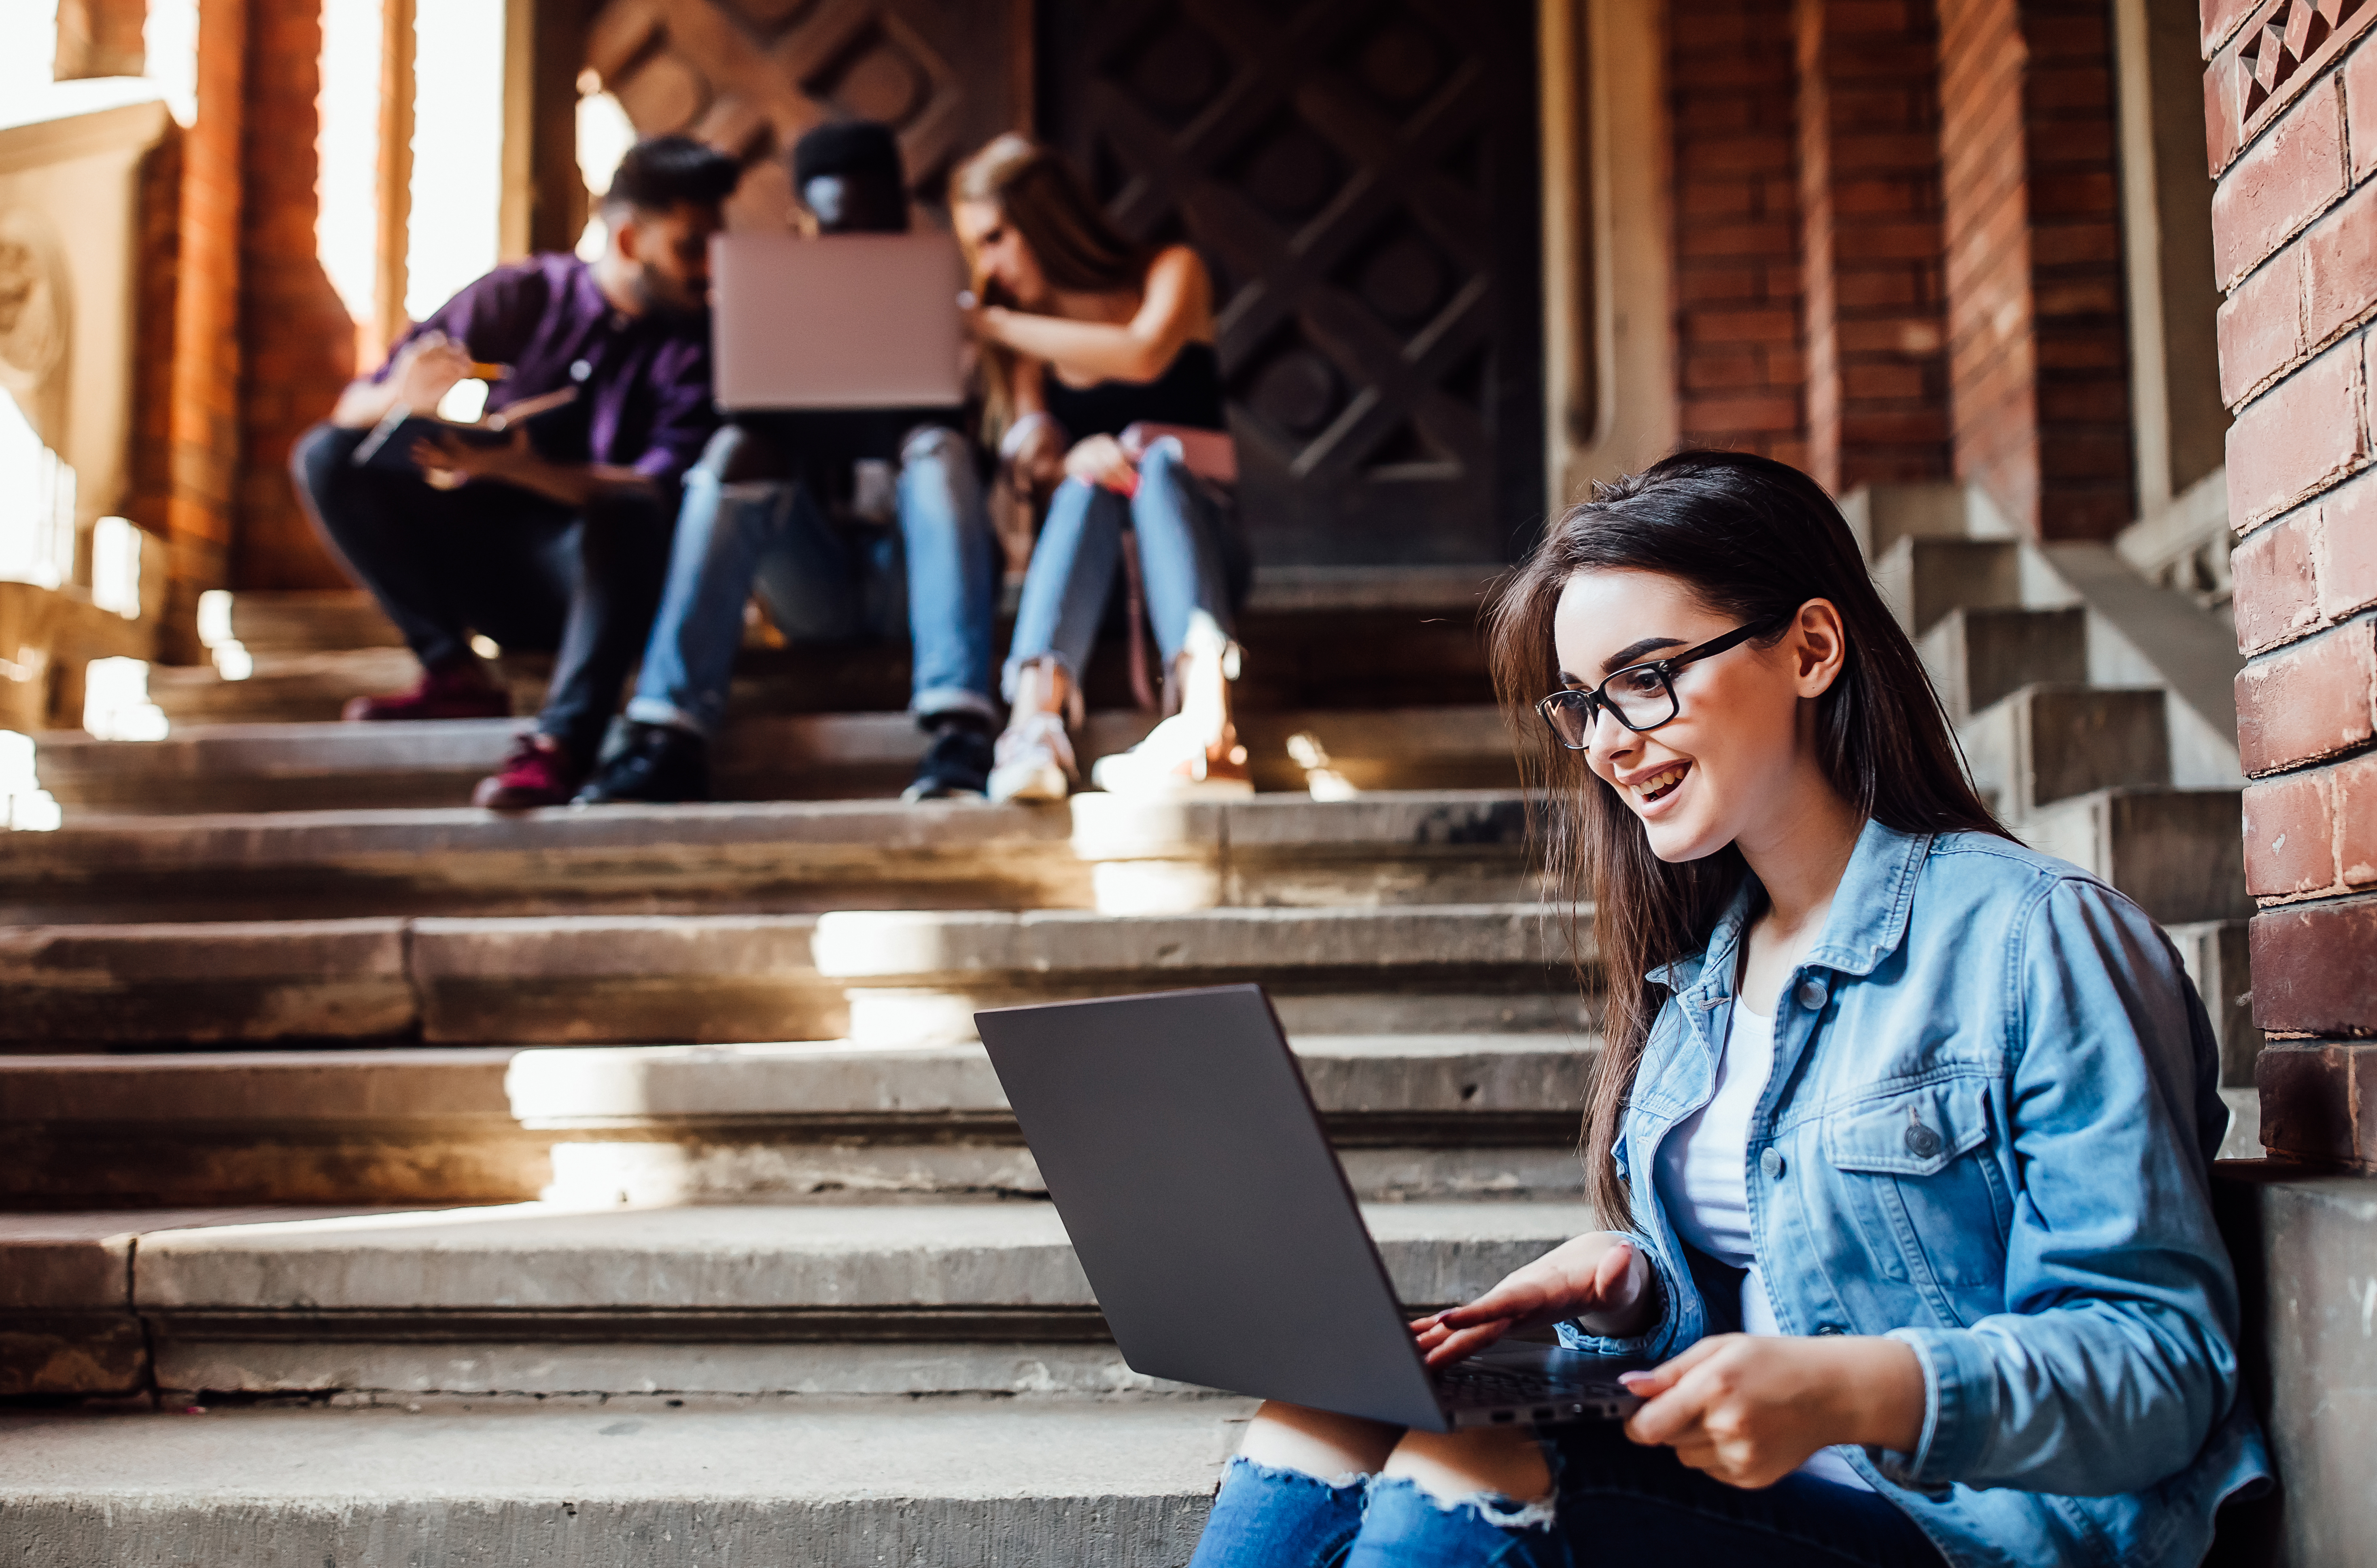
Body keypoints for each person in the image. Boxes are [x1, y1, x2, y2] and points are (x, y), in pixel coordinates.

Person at [1188, 451, 2270, 1566]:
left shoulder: (2034, 936)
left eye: (1647, 676)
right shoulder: (1704, 975)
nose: (1607, 741)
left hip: (1973, 1524)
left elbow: (2161, 1365)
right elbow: (1792, 1275)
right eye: (1582, 702)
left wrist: (1857, 1387)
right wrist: (1637, 1289)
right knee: (1316, 1417)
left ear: (1810, 649)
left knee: (1470, 1464)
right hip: (1754, 1493)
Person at [292, 136, 738, 809]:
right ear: (626, 241)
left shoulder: (702, 344)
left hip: (608, 585)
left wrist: (524, 469)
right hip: (487, 562)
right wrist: (403, 400)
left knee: (625, 511)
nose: (709, 270)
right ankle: (452, 672)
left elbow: (658, 489)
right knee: (327, 455)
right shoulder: (520, 295)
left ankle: (562, 744)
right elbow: (352, 407)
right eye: (690, 247)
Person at [577, 122, 1000, 805]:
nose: (854, 250)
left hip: (913, 580)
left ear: (901, 222)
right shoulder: (758, 315)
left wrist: (945, 384)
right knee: (733, 449)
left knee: (937, 446)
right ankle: (668, 734)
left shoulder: (963, 319)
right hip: (814, 583)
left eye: (872, 232)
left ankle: (961, 731)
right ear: (806, 227)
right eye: (837, 232)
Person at [951, 133, 1252, 803]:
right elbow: (1045, 465)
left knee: (1159, 467)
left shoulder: (1171, 272)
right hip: (1099, 581)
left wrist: (992, 327)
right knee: (1091, 481)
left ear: (1047, 221)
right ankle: (1034, 723)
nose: (988, 267)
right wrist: (1066, 458)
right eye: (976, 248)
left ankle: (1210, 727)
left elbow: (1143, 354)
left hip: (1202, 557)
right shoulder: (1029, 345)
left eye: (996, 237)